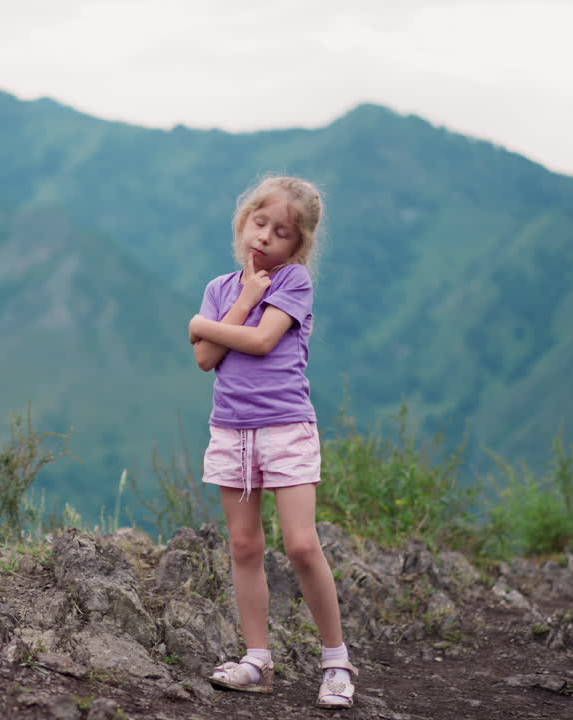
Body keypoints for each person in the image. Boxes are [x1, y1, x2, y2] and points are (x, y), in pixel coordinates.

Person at [187, 175, 357, 709]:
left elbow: (260, 343)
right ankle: (256, 659)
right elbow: (205, 359)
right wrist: (232, 306)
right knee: (244, 546)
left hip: (285, 428)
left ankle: (337, 662)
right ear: (243, 222)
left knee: (302, 544)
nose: (265, 237)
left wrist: (201, 325)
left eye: (281, 232)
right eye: (259, 223)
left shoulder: (294, 282)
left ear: (297, 244)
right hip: (232, 432)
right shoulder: (220, 289)